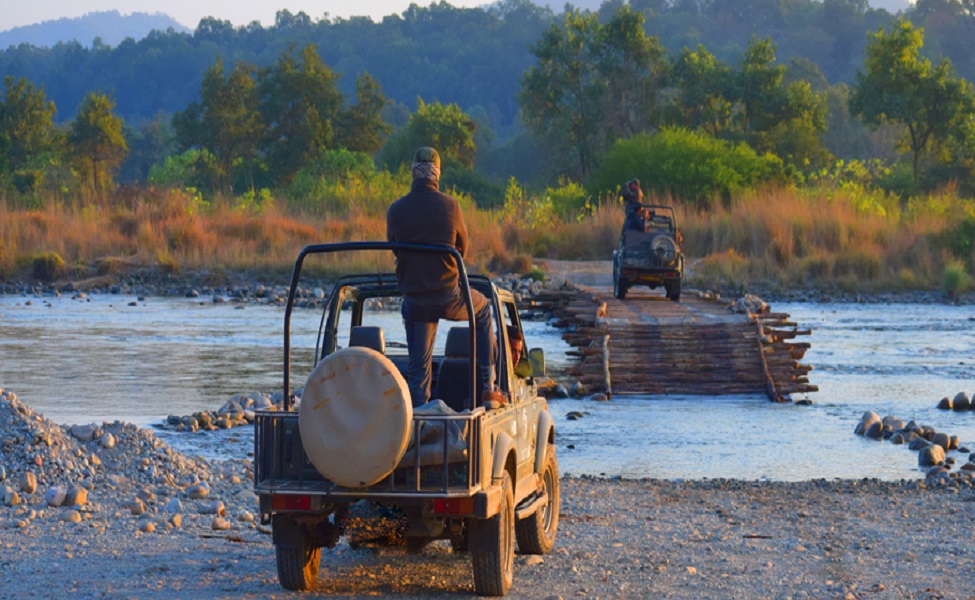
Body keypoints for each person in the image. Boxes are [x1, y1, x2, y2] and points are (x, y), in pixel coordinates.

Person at [387, 147, 504, 409]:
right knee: (483, 308)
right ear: (437, 173)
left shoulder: (396, 209)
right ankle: (489, 388)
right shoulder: (451, 206)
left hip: (416, 300)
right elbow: (463, 248)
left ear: (413, 173)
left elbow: (394, 248)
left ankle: (419, 413)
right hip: (449, 296)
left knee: (419, 368)